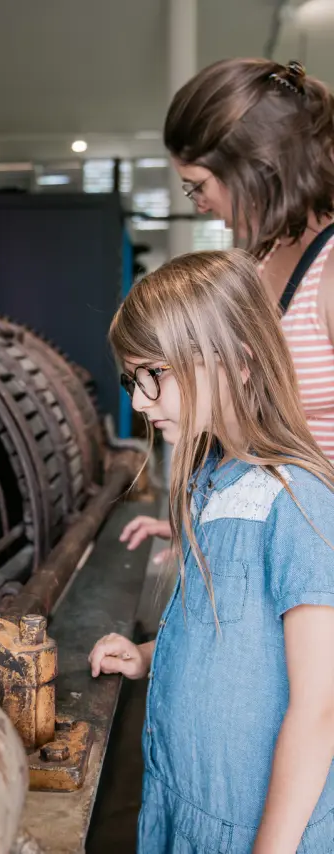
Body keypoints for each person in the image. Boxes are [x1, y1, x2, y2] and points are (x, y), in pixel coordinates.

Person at [90, 250, 334, 853]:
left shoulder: (297, 502)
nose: (141, 403)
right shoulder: (210, 482)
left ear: (239, 363)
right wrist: (148, 655)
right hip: (184, 798)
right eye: (132, 380)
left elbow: (321, 708)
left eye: (154, 375)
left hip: (256, 826)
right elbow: (224, 631)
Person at [122, 58, 334, 555]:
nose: (197, 203)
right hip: (287, 549)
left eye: (198, 184)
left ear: (255, 168)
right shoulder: (261, 264)